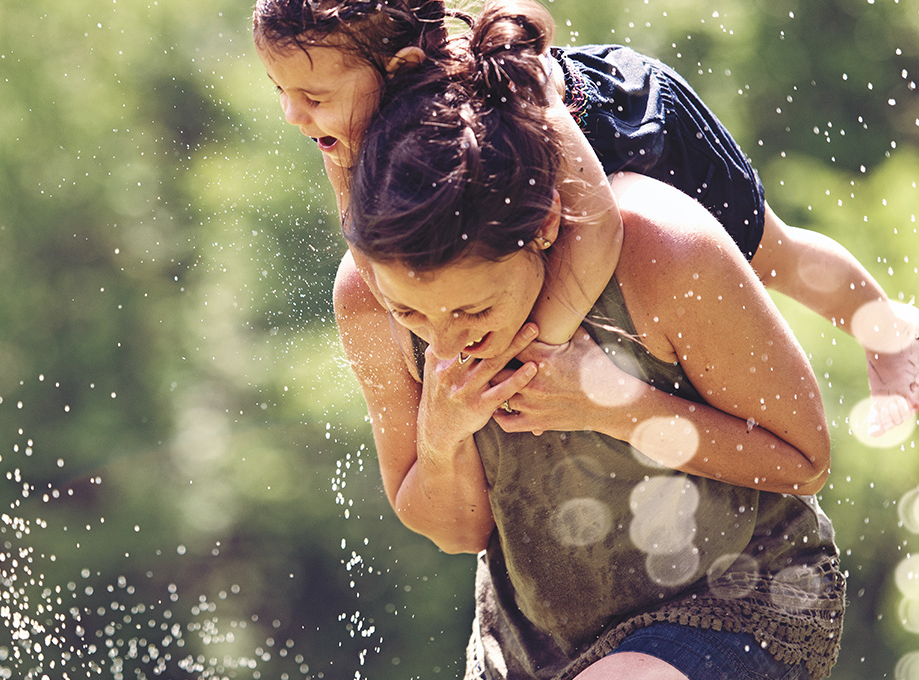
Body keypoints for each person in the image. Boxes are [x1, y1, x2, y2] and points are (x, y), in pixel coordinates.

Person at [338, 18, 844, 678]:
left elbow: (803, 461)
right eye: (412, 310)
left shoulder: (661, 248)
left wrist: (612, 404)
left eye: (473, 307)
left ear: (544, 228)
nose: (445, 338)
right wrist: (442, 436)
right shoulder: (366, 300)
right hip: (529, 649)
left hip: (741, 601)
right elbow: (459, 532)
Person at [252, 0, 919, 435]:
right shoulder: (343, 127)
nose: (293, 114)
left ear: (400, 67)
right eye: (280, 92)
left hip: (630, 127)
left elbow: (596, 227)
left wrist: (541, 348)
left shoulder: (515, 89)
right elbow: (362, 236)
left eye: (310, 95)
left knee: (771, 253)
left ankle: (890, 334)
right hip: (528, 171)